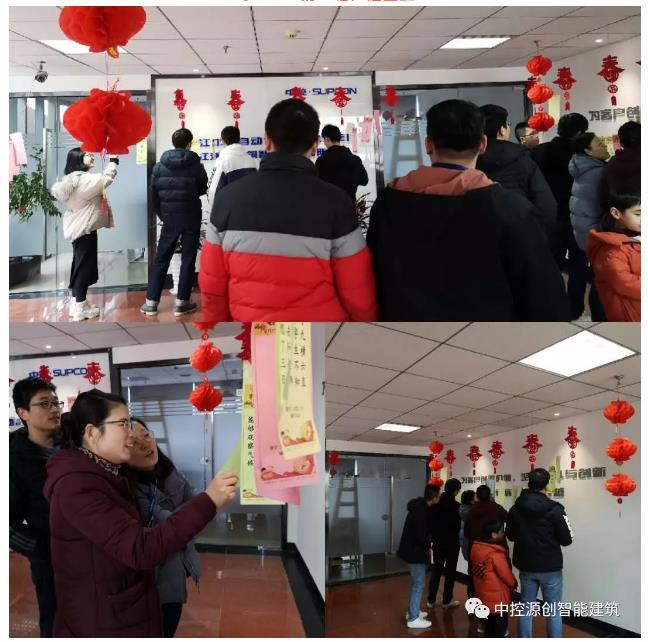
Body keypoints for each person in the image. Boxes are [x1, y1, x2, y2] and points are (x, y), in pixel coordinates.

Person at [43, 390, 238, 637]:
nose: (131, 434)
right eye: (123, 424)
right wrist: (208, 501)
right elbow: (140, 549)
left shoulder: (109, 472)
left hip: (123, 603)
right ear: (92, 433)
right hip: (103, 616)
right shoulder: (77, 485)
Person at [366, 99, 570, 321]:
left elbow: (374, 270)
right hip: (488, 331)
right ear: (483, 144)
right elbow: (543, 295)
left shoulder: (388, 202)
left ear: (428, 144)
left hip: (404, 327)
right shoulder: (511, 209)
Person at [199, 98, 377, 322]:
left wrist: (225, 331)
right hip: (319, 332)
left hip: (252, 330)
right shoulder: (337, 202)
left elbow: (212, 287)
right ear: (315, 145)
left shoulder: (226, 199)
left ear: (267, 140)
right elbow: (357, 290)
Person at [128, 418, 199, 637]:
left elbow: (192, 503)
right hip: (154, 574)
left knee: (170, 620)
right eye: (134, 442)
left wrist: (191, 515)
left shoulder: (168, 470)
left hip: (178, 563)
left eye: (145, 435)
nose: (145, 444)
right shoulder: (130, 487)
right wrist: (191, 514)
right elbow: (171, 521)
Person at [10, 377, 63, 637]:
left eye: (56, 402)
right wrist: (39, 548)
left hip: (90, 550)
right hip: (51, 559)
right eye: (44, 404)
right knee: (55, 620)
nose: (54, 409)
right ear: (23, 413)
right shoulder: (12, 456)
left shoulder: (72, 443)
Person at [141, 128, 208, 318]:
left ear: (173, 143)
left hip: (170, 218)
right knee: (188, 258)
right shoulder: (196, 165)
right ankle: (182, 303)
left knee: (161, 258)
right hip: (191, 216)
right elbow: (202, 188)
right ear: (189, 144)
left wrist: (163, 215)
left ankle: (151, 303)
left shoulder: (159, 167)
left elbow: (153, 195)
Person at [51, 148, 118, 322]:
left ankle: (77, 304)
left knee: (79, 266)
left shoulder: (72, 179)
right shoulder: (83, 180)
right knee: (83, 269)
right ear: (78, 159)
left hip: (78, 228)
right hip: (84, 228)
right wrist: (114, 162)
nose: (91, 156)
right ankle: (80, 308)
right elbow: (105, 179)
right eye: (88, 154)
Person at [476, 105, 558, 247]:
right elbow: (547, 205)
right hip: (521, 236)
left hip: (480, 238)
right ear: (502, 130)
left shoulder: (470, 160)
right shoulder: (522, 159)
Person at [506, 468, 574, 638]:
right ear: (547, 485)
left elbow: (510, 535)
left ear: (528, 483)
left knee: (526, 608)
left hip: (526, 566)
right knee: (553, 611)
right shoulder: (556, 509)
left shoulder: (516, 508)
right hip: (551, 567)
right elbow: (566, 540)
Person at [531, 112, 589, 272]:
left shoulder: (538, 151)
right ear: (579, 132)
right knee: (578, 262)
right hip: (575, 214)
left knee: (550, 262)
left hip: (546, 213)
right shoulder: (581, 155)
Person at [587, 190, 641, 322]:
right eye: (638, 213)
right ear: (616, 213)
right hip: (629, 315)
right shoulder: (611, 250)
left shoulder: (635, 235)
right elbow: (625, 283)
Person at [397, 484, 441, 629]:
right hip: (415, 552)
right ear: (434, 498)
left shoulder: (419, 506)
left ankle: (412, 612)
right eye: (438, 496)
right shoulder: (421, 511)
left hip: (413, 551)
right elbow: (419, 534)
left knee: (416, 583)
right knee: (418, 584)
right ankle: (413, 619)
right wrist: (429, 544)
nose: (439, 498)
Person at [471, 519, 517, 638]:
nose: (503, 534)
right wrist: (513, 583)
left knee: (489, 628)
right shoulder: (495, 554)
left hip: (484, 595)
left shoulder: (476, 548)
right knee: (499, 629)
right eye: (501, 531)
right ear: (494, 534)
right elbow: (506, 575)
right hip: (498, 599)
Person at [569, 132, 609, 251]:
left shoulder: (582, 168)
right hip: (597, 234)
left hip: (585, 233)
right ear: (588, 151)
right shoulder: (598, 172)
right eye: (600, 144)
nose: (605, 145)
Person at [427, 478, 462, 609]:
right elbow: (458, 526)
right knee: (450, 572)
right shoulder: (457, 506)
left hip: (438, 543)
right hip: (452, 544)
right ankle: (447, 601)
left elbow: (431, 523)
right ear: (456, 491)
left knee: (436, 571)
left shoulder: (436, 504)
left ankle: (431, 600)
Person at [205, 125, 257, 207]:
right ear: (239, 139)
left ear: (222, 140)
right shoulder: (251, 160)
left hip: (229, 210)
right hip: (249, 209)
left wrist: (215, 209)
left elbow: (213, 191)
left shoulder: (222, 161)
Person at [315, 124, 369, 203]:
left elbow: (316, 185)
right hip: (349, 205)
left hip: (328, 206)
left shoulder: (321, 161)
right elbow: (364, 181)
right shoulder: (355, 160)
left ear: (327, 139)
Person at [600, 121, 640, 195]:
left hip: (623, 201)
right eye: (599, 144)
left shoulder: (613, 163)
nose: (604, 146)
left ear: (621, 142)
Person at [458, 490, 476, 599]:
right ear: (471, 500)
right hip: (471, 546)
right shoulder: (471, 512)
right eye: (475, 496)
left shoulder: (462, 509)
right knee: (474, 575)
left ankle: (472, 598)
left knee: (471, 573)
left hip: (466, 546)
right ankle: (473, 598)